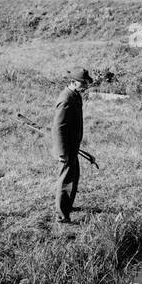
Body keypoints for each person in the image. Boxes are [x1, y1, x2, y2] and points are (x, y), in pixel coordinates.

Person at [52, 68, 93, 223]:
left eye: (86, 83)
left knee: (73, 178)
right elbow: (59, 128)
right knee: (66, 182)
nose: (86, 86)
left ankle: (67, 206)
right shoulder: (65, 99)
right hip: (66, 150)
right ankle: (62, 216)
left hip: (73, 147)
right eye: (83, 83)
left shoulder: (76, 96)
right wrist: (62, 153)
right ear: (73, 82)